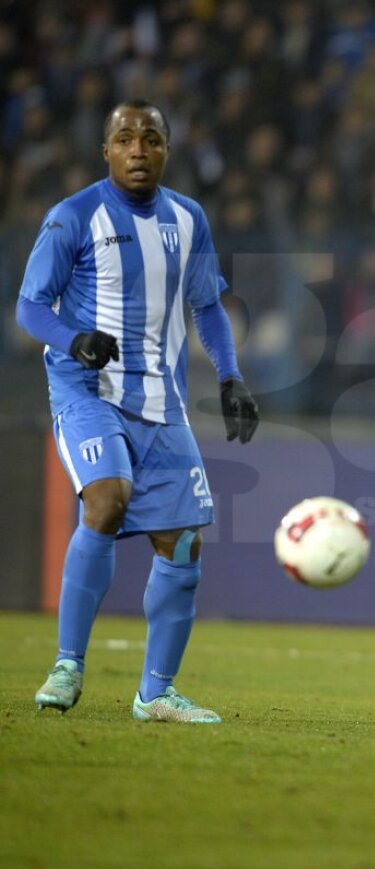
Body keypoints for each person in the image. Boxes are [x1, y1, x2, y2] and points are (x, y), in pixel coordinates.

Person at [16, 99, 259, 723]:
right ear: (106, 150)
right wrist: (74, 340)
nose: (138, 150)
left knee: (181, 544)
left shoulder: (189, 218)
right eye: (125, 138)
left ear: (166, 150)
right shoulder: (72, 217)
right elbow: (30, 306)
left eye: (150, 139)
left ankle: (155, 694)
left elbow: (207, 307)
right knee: (107, 496)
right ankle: (68, 664)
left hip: (161, 399)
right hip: (86, 390)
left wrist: (230, 377)